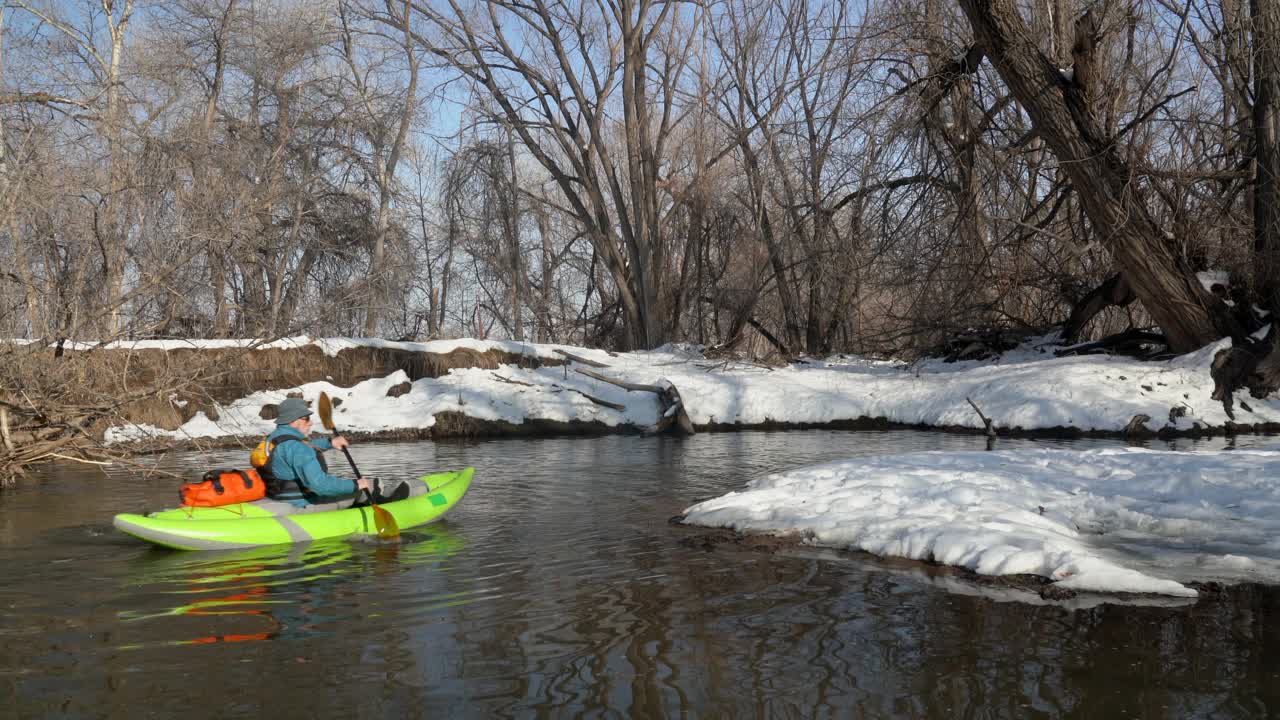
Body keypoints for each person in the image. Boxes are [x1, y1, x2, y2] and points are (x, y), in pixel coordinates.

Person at [261, 397, 405, 506]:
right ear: (293, 421)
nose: (310, 422)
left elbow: (298, 449)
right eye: (306, 419)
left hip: (278, 498)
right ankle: (394, 506)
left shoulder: (273, 439)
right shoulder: (299, 449)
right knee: (372, 486)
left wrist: (329, 442)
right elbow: (319, 485)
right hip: (302, 504)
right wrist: (356, 485)